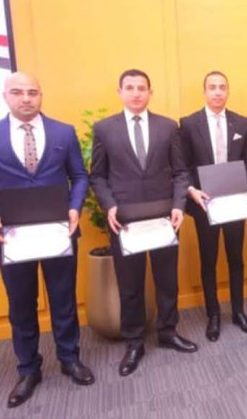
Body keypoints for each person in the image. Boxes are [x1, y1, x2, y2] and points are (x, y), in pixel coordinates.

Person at [0, 72, 94, 408]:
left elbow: (79, 175)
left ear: (41, 95)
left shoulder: (63, 132)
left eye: (33, 92)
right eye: (18, 92)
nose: (26, 98)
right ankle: (28, 369)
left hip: (59, 232)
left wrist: (75, 206)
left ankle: (69, 359)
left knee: (63, 299)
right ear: (5, 96)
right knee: (21, 305)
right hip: (12, 237)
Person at [91, 69, 197, 377]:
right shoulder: (104, 129)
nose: (136, 93)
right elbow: (97, 175)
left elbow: (181, 172)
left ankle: (168, 331)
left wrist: (179, 205)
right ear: (120, 92)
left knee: (167, 280)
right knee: (130, 285)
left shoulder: (168, 126)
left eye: (141, 88)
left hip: (165, 218)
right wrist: (109, 206)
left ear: (150, 92)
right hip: (124, 221)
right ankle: (134, 342)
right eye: (130, 88)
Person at [179, 71, 247, 341]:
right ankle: (213, 315)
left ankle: (238, 311)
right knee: (209, 260)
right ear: (204, 92)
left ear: (228, 91)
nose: (217, 92)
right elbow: (182, 166)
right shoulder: (189, 124)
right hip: (206, 203)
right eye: (212, 87)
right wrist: (191, 190)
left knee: (236, 259)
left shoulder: (241, 122)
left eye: (222, 87)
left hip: (235, 201)